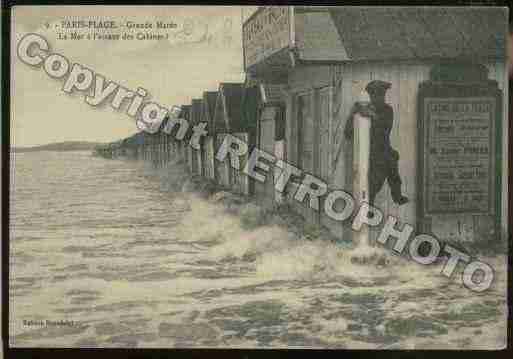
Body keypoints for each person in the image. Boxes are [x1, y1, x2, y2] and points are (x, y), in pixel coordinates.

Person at [344, 80, 409, 206]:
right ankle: (368, 207)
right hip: (368, 153)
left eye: (382, 94)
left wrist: (371, 115)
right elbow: (348, 133)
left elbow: (385, 129)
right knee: (373, 185)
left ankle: (397, 196)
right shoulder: (360, 111)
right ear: (370, 95)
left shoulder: (387, 109)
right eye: (377, 94)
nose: (380, 97)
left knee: (394, 173)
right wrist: (353, 113)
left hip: (384, 149)